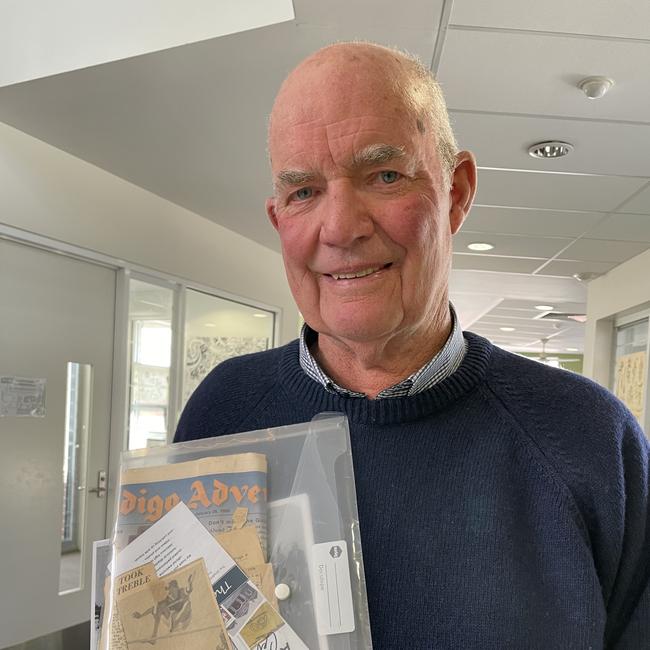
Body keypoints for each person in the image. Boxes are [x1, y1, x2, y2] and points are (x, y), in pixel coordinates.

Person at [175, 42, 650, 648]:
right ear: (279, 221)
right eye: (304, 191)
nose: (341, 227)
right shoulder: (223, 412)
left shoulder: (587, 438)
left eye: (385, 175)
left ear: (456, 192)